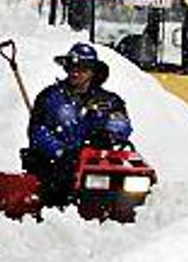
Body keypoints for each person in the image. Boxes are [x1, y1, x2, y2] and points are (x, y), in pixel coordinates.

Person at [23, 42, 132, 207]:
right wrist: (61, 152)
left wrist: (107, 135)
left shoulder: (109, 100)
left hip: (98, 165)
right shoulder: (49, 97)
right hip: (57, 168)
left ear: (93, 71)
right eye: (71, 67)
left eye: (82, 68)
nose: (75, 72)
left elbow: (121, 123)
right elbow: (38, 131)